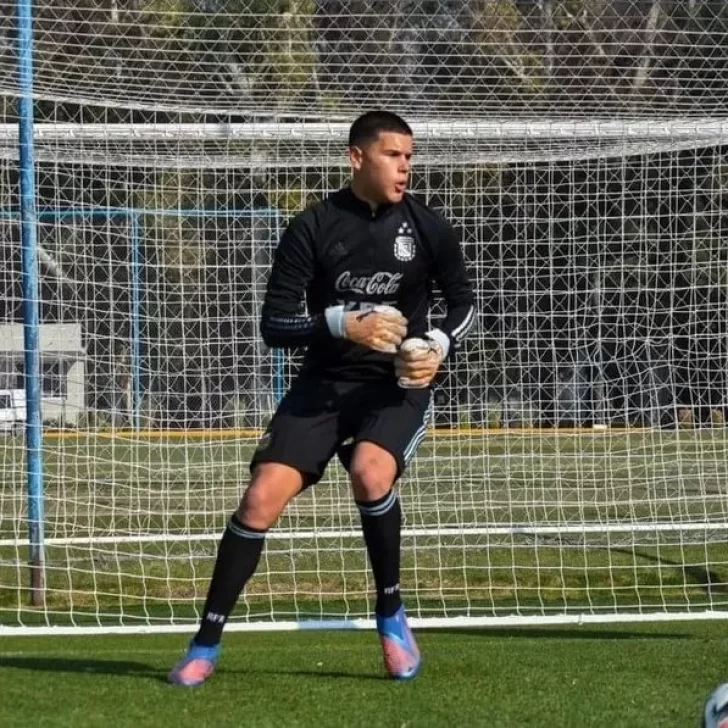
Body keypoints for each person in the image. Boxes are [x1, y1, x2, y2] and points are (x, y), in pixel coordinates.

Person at [168, 110, 475, 686]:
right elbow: (275, 324)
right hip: (322, 386)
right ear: (356, 157)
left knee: (369, 472)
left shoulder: (428, 228)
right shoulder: (312, 226)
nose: (405, 166)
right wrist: (339, 322)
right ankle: (205, 642)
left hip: (394, 388)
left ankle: (390, 614)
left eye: (410, 156)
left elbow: (464, 303)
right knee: (260, 498)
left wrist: (434, 342)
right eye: (392, 155)